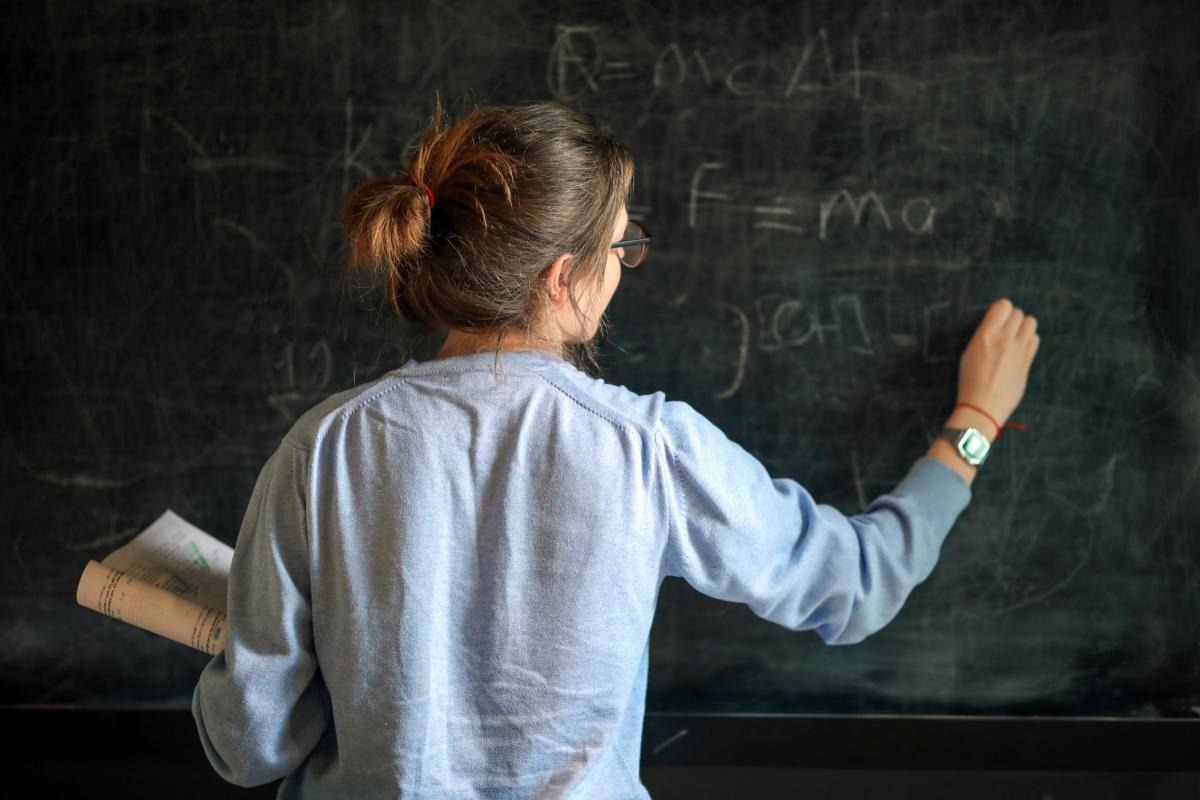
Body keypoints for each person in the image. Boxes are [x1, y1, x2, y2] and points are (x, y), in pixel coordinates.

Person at [192, 100, 1040, 798]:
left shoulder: (324, 448)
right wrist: (973, 424)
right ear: (561, 277)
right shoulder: (650, 451)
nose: (625, 267)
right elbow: (857, 587)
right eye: (622, 247)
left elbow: (251, 745)